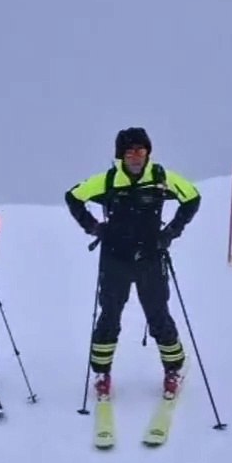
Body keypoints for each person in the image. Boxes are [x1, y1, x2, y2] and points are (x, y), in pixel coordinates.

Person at [64, 127, 202, 398]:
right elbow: (73, 197)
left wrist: (171, 232)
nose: (136, 157)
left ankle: (173, 369)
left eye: (140, 150)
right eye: (129, 152)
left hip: (151, 257)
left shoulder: (161, 177)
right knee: (110, 316)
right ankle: (102, 373)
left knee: (157, 314)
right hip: (115, 258)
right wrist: (93, 227)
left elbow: (193, 198)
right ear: (121, 155)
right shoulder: (107, 181)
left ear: (148, 152)